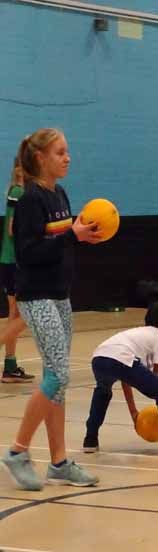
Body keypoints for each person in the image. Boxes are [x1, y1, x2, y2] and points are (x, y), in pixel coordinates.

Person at [1, 128, 101, 491]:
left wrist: (80, 235)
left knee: (56, 380)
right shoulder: (29, 200)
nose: (67, 157)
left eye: (68, 151)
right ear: (41, 157)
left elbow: (59, 243)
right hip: (36, 296)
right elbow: (27, 253)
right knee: (58, 375)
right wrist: (70, 236)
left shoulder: (59, 193)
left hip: (60, 295)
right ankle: (17, 451)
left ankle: (58, 462)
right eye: (60, 152)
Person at [82, 301, 158, 460]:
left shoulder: (137, 334)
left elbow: (125, 378)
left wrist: (134, 413)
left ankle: (90, 439)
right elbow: (157, 380)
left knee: (103, 392)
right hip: (121, 358)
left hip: (99, 358)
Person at [0, 155, 32, 383]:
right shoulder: (20, 193)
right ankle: (9, 366)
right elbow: (13, 229)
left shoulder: (15, 191)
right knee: (21, 314)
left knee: (16, 314)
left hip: (10, 262)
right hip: (15, 262)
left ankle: (10, 367)